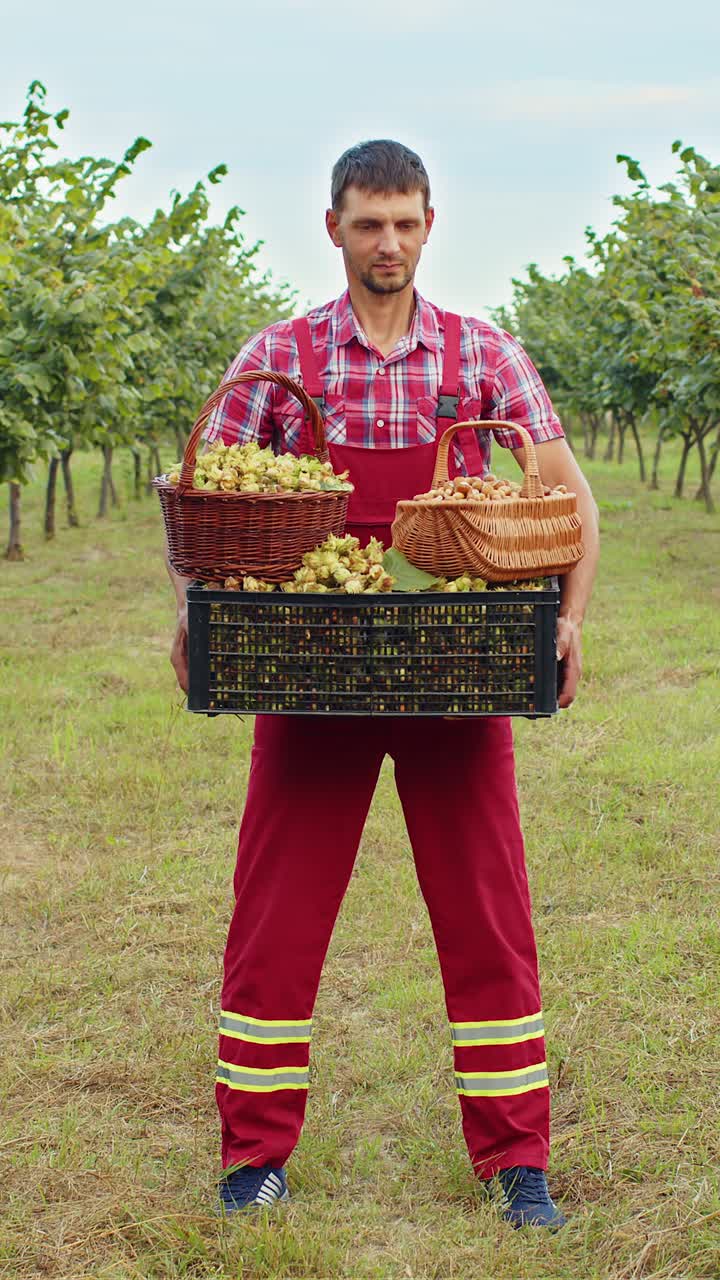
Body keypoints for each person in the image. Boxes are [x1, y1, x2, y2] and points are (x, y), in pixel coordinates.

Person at [166, 140, 599, 1228]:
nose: (388, 243)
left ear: (430, 223)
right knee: (277, 905)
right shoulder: (283, 355)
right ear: (334, 228)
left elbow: (569, 498)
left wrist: (571, 618)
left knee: (487, 906)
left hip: (452, 664)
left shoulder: (481, 352)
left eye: (405, 222)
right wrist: (190, 615)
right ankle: (254, 1150)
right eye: (368, 223)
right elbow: (203, 497)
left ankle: (517, 1158)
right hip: (311, 666)